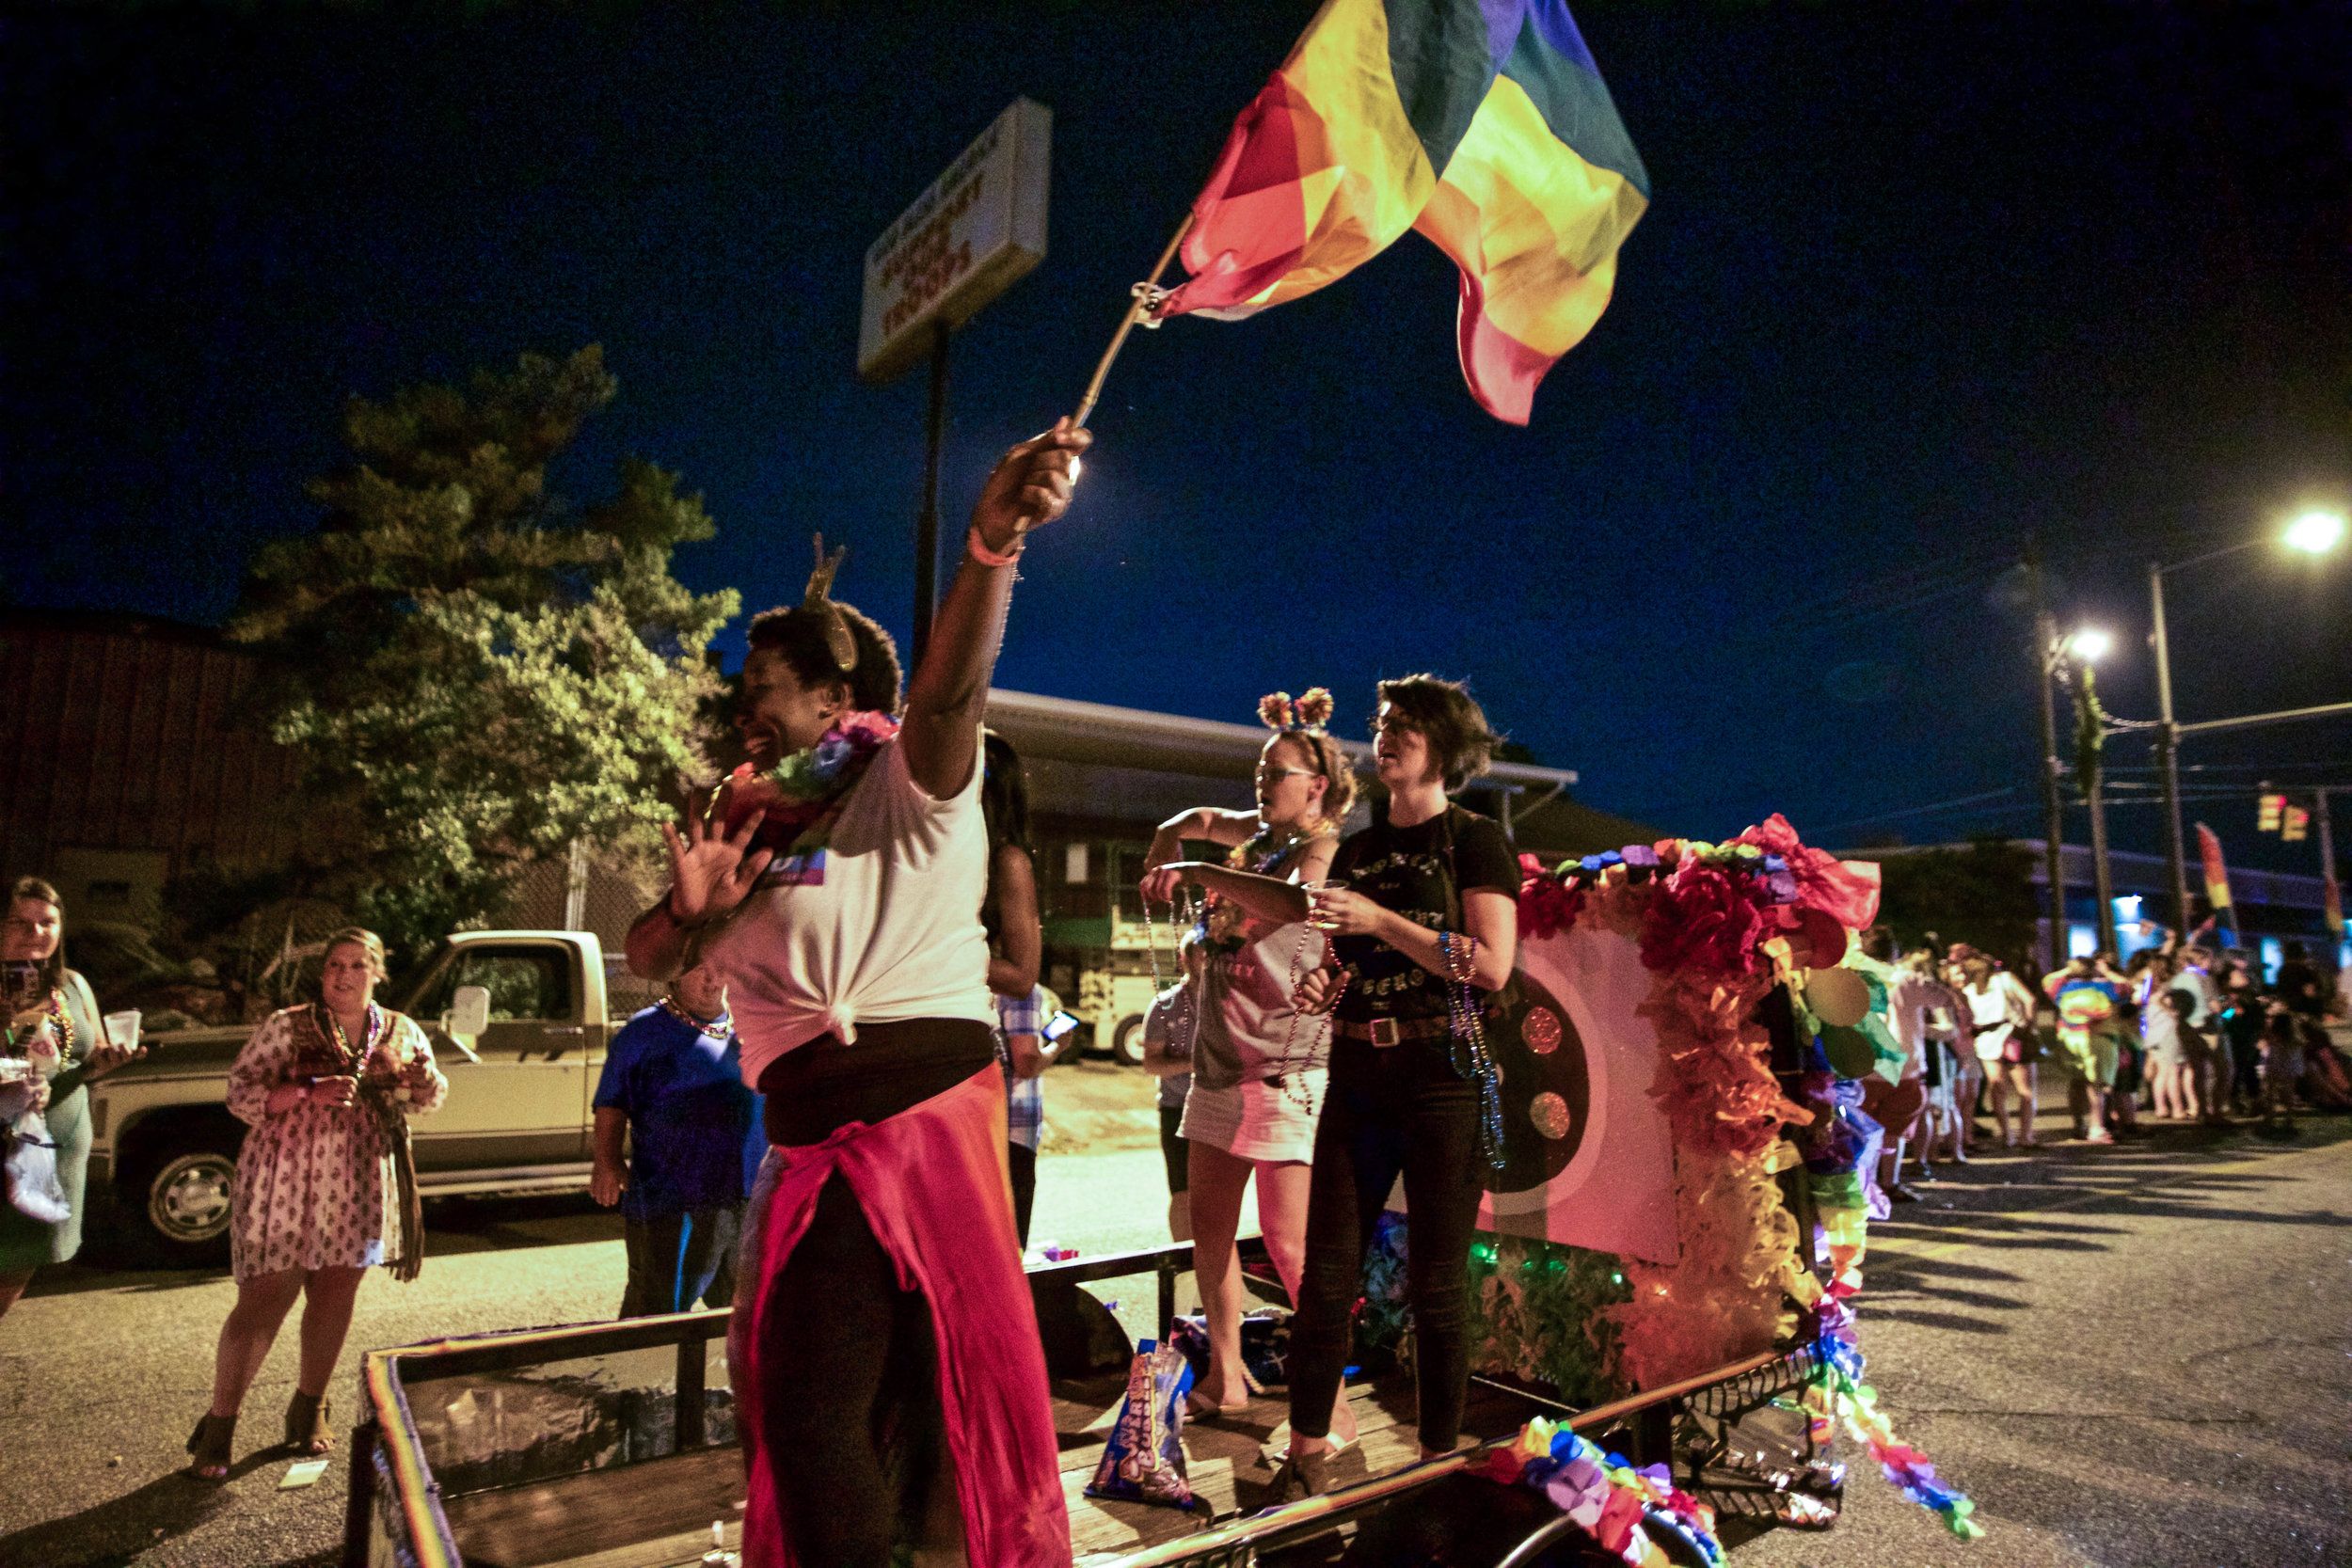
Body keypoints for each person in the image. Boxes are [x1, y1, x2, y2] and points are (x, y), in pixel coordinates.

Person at [629, 422, 1086, 1567]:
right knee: (871, 1404)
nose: (747, 710)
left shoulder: (910, 778)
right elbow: (648, 955)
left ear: (838, 698)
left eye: (768, 690)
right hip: (802, 1143)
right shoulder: (743, 826)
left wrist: (991, 545)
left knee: (828, 1399)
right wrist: (691, 912)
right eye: (743, 691)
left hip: (911, 1126)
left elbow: (947, 695)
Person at [1280, 675, 1519, 1499]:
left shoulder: (1475, 840)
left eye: (1405, 726)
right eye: (1381, 724)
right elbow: (1343, 967)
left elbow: (1489, 967)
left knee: (1436, 1280)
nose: (1386, 737)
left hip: (1440, 1079)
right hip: (1354, 1073)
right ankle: (1303, 1453)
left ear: (1445, 748)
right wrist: (1324, 985)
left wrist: (1382, 921)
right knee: (1325, 1275)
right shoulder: (1356, 849)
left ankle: (1437, 1459)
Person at [1138, 686, 1358, 1435]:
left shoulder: (1319, 847)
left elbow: (1299, 905)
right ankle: (1228, 1373)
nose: (1262, 785)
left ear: (1317, 785)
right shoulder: (1255, 838)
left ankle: (1330, 1400)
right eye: (1260, 772)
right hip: (1217, 1064)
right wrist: (1163, 851)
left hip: (1282, 1068)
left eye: (1278, 773)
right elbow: (1188, 821)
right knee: (1210, 1230)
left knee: (1291, 1242)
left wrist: (1196, 874)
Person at [191, 927, 447, 1480]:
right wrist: (309, 1091)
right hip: (286, 1175)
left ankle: (309, 1406)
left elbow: (429, 1096)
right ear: (323, 972)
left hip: (359, 1179)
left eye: (358, 965)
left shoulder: (400, 1030)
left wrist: (419, 1080)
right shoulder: (288, 1025)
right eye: (335, 964)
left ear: (377, 973)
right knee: (266, 1297)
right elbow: (239, 1091)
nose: (344, 974)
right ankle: (220, 1425)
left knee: (334, 1291)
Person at [0, 877, 144, 1319]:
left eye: (47, 922)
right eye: (20, 922)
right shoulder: (7, 986)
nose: (36, 932)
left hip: (58, 1152)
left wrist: (110, 1060)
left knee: (19, 1269)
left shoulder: (73, 986)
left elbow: (87, 1061)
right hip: (9, 1145)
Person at [590, 961, 763, 1318]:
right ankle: (635, 1371)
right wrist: (606, 1161)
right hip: (672, 1200)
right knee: (657, 1310)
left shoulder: (750, 1025)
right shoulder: (642, 1033)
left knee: (742, 1316)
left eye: (721, 967)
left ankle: (726, 1375)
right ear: (674, 973)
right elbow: (611, 1104)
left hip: (746, 1196)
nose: (713, 978)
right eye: (700, 969)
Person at [980, 731, 1047, 1248]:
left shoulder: (1006, 860)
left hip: (993, 1107)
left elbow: (1022, 975)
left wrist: (926, 950)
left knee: (993, 1247)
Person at [1139, 942, 1202, 1243]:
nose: (1210, 959)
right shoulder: (1165, 1005)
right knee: (1182, 1192)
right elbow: (1151, 1063)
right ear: (1185, 959)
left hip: (1220, 1105)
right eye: (1202, 953)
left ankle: (1214, 1261)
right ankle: (1183, 1264)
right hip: (1177, 1107)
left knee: (1216, 1192)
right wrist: (1195, 1063)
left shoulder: (1228, 999)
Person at [2042, 951, 2128, 1144]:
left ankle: (2077, 1124)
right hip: (2097, 1040)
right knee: (2096, 1086)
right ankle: (2096, 1127)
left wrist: (2069, 969)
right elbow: (2127, 987)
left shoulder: (2063, 989)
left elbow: (2048, 981)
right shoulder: (2104, 988)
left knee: (2076, 1083)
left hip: (2070, 1041)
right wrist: (2107, 971)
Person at [1958, 949, 2041, 1147]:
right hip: (2014, 1037)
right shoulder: (2005, 979)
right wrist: (2028, 1025)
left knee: (1997, 1089)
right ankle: (2025, 1135)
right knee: (2025, 1090)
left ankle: (2007, 1135)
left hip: (1986, 1042)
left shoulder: (1967, 991)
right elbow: (2030, 1000)